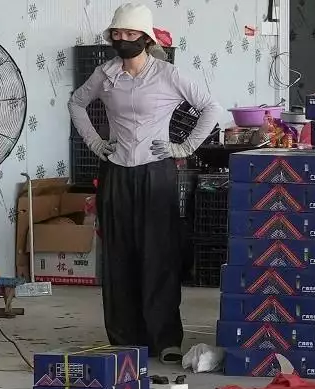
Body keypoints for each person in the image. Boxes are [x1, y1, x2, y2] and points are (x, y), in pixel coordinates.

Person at [69, 5, 219, 363]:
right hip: (117, 172)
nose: (122, 40)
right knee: (119, 255)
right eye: (117, 34)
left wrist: (182, 147)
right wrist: (94, 142)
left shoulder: (168, 75)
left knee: (158, 256)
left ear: (146, 39)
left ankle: (164, 338)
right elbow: (76, 103)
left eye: (130, 35)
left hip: (156, 173)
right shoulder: (105, 74)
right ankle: (125, 338)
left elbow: (211, 108)